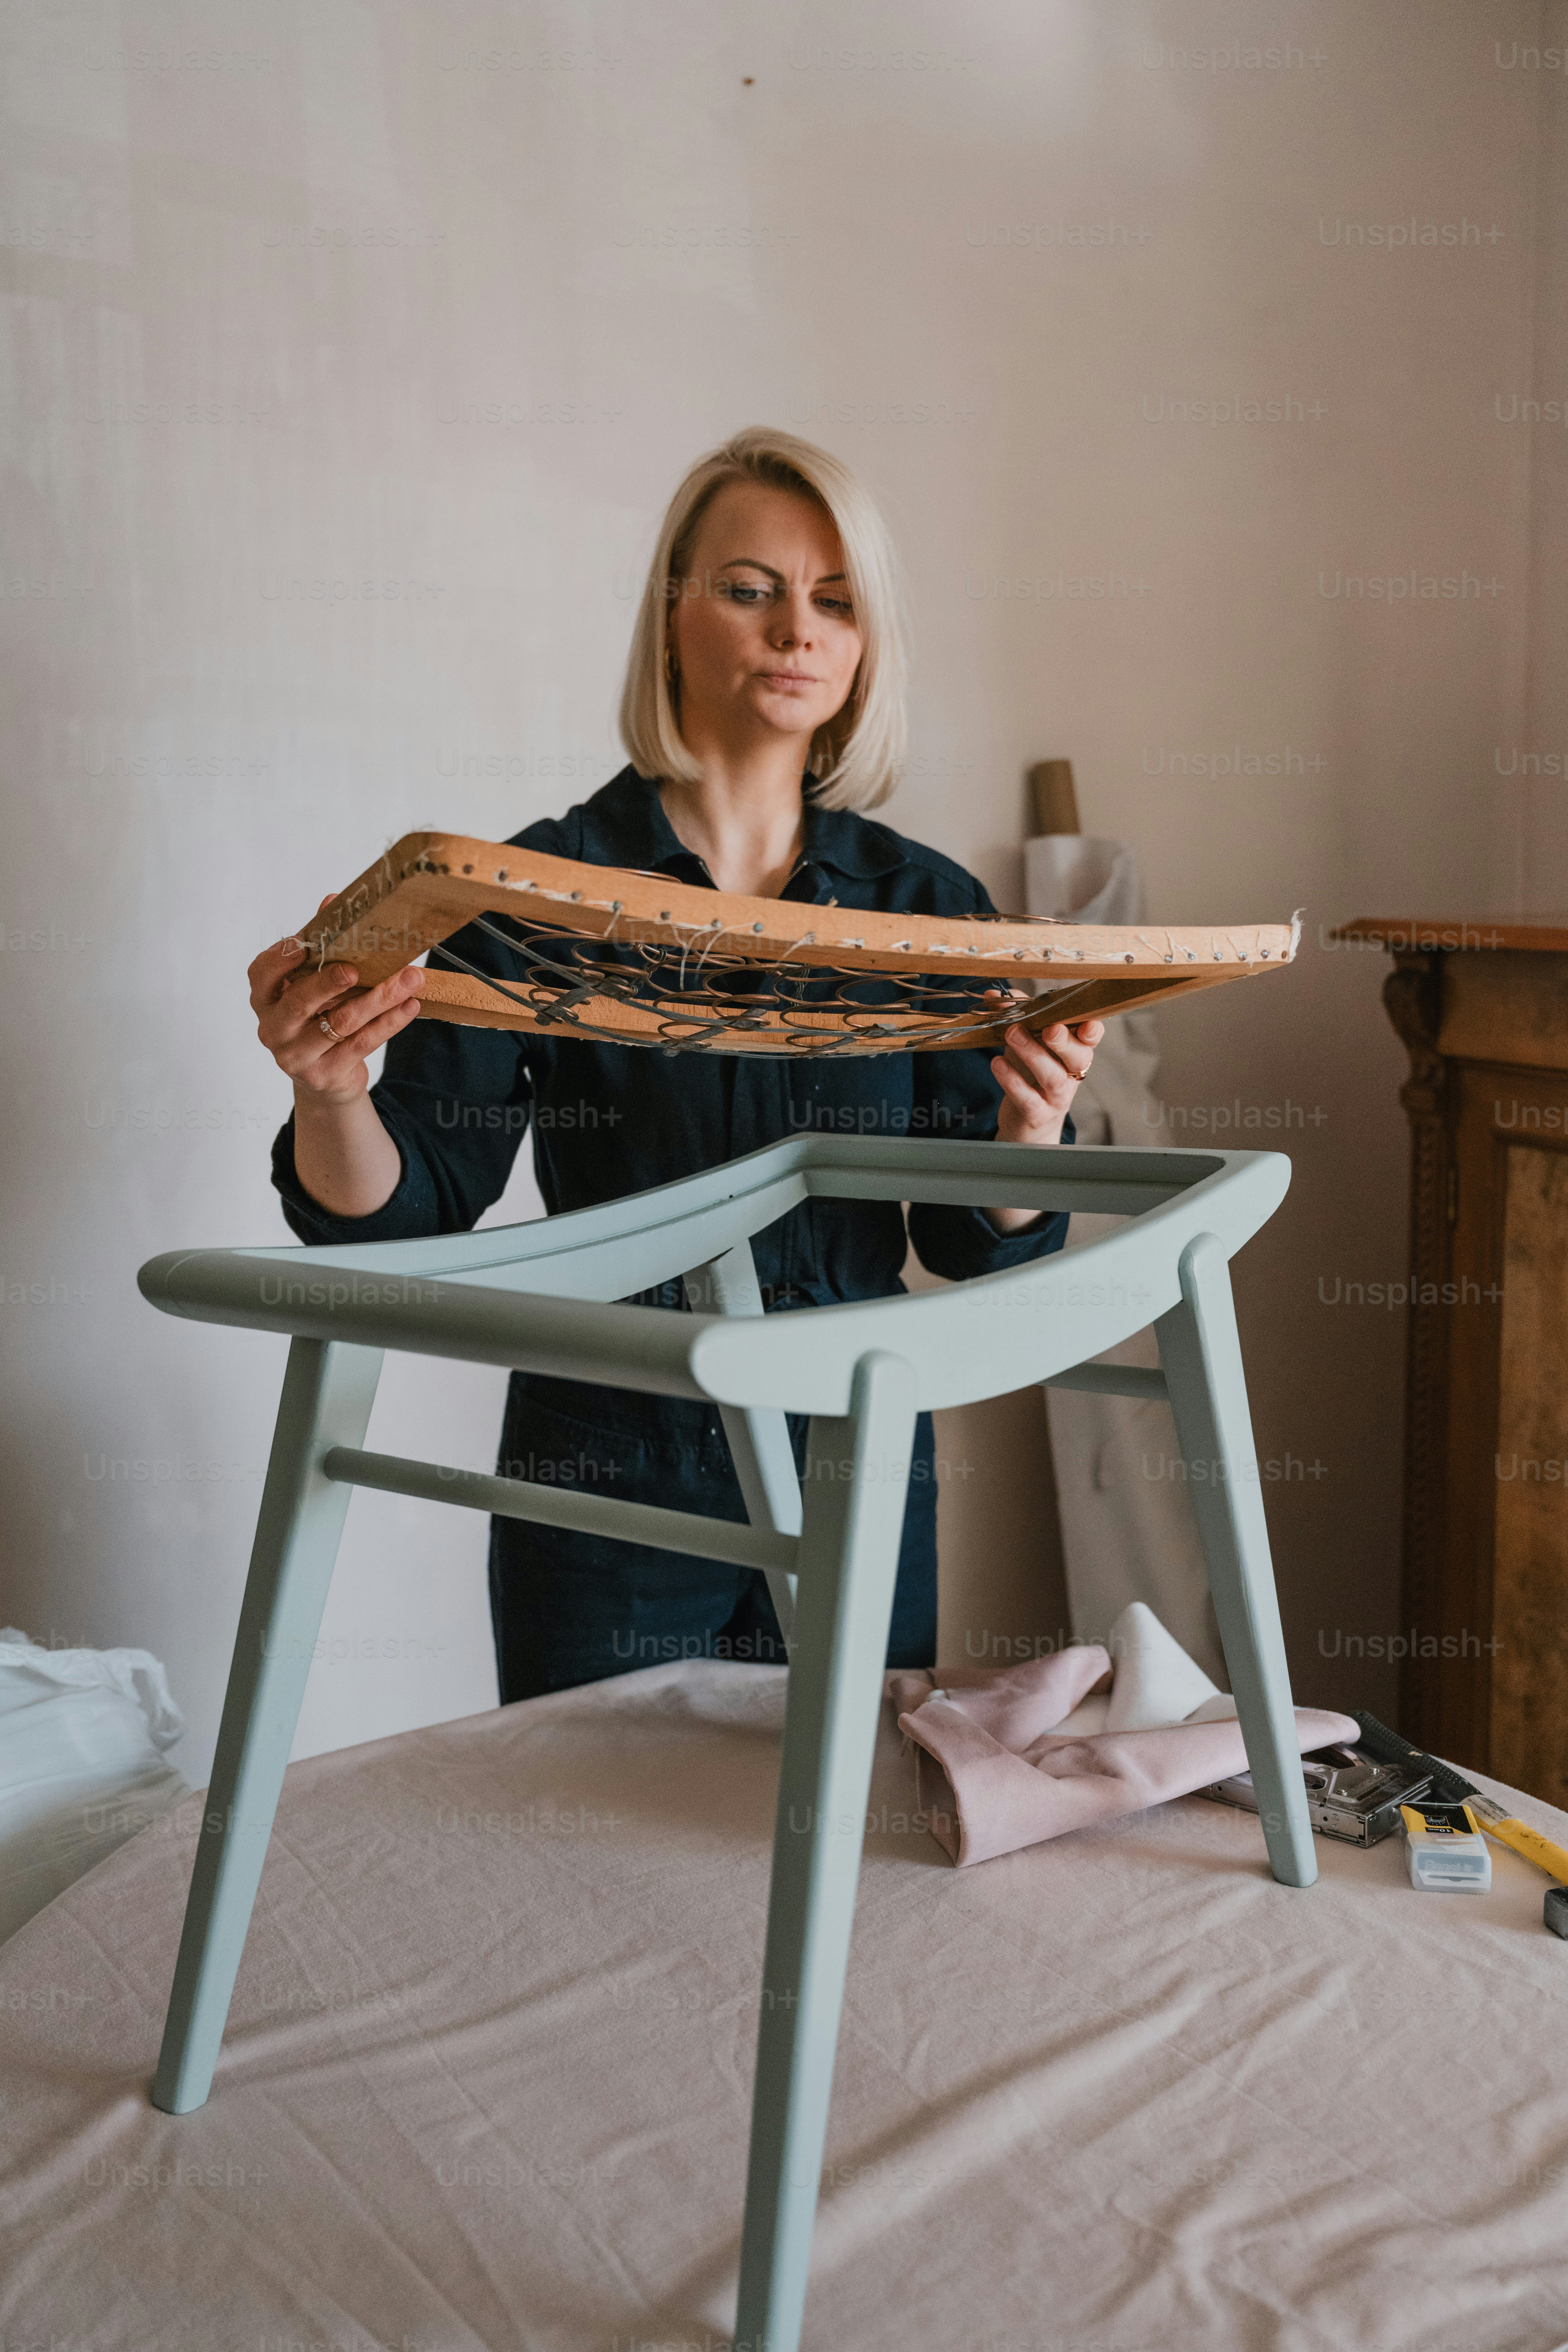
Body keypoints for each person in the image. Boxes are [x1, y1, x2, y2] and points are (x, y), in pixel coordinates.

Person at [247, 427, 1103, 1704]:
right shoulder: (532, 893)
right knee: (590, 1850)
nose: (795, 632)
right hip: (604, 1452)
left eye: (835, 602)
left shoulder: (929, 910)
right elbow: (405, 1217)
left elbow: (970, 1244)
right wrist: (330, 1092)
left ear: (866, 647)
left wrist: (1030, 1139)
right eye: (750, 590)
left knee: (849, 1846)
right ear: (668, 621)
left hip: (854, 1443)